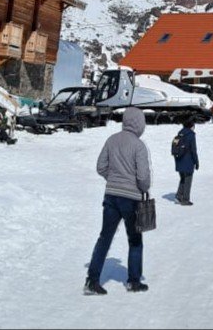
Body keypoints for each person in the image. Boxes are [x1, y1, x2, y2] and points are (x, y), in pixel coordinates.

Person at [84, 107, 151, 295]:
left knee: (104, 238)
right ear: (139, 124)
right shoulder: (138, 145)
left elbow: (100, 167)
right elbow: (143, 177)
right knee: (135, 240)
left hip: (111, 196)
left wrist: (112, 179)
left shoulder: (111, 140)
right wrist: (142, 187)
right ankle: (134, 281)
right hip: (131, 199)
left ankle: (92, 280)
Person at [172, 117, 199, 206]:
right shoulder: (191, 135)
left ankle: (178, 197)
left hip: (179, 161)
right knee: (188, 181)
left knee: (183, 179)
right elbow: (193, 150)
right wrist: (196, 162)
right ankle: (185, 200)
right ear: (191, 125)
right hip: (188, 161)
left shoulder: (179, 134)